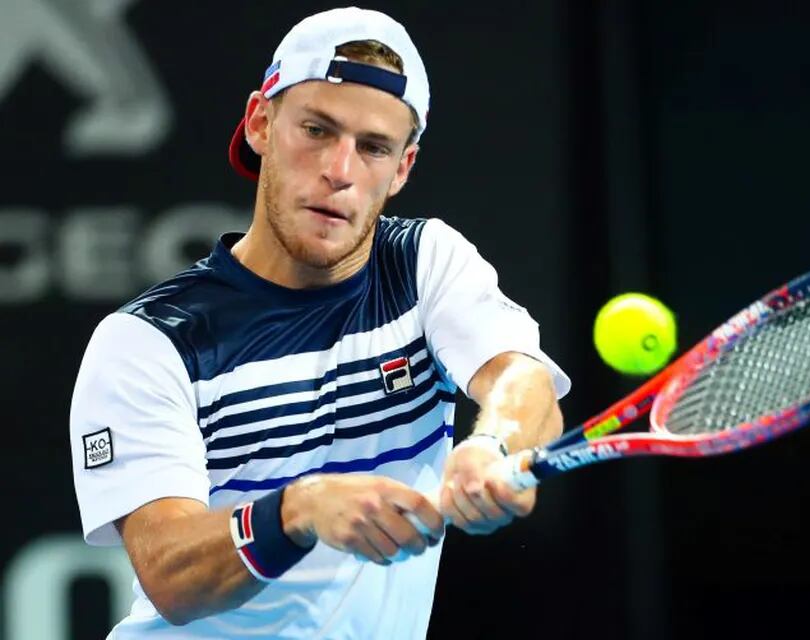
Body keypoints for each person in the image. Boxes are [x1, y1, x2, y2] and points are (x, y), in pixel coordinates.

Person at [69, 6, 570, 639]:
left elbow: (519, 379)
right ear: (260, 122)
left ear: (403, 168)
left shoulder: (422, 264)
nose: (340, 170)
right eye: (316, 130)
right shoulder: (149, 341)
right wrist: (297, 510)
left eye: (373, 148)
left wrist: (492, 445)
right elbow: (173, 575)